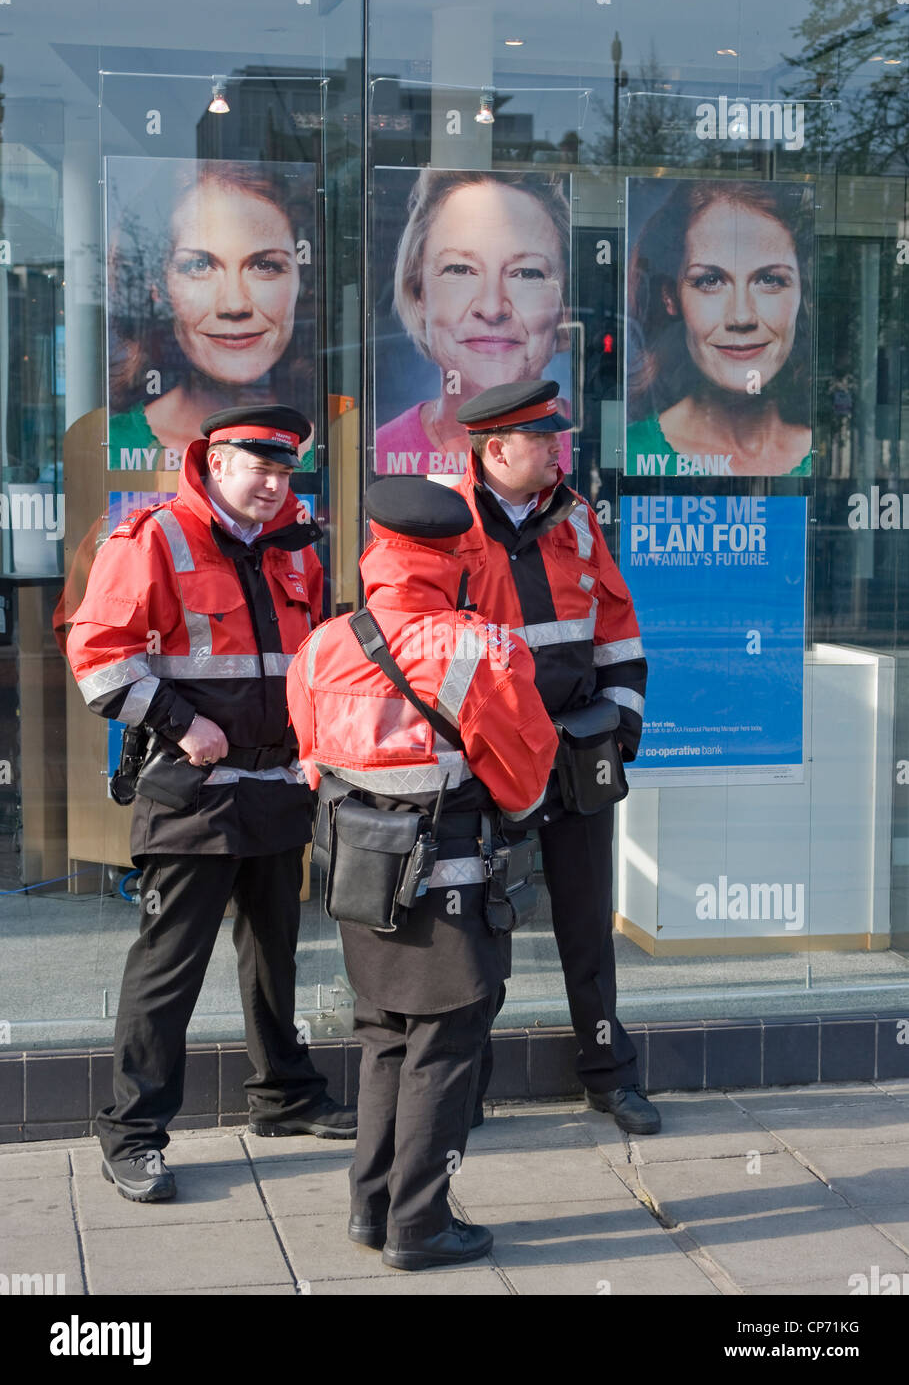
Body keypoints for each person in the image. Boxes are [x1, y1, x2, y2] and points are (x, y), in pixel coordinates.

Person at [66, 404, 355, 1202]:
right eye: (256, 467)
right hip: (189, 791)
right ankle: (131, 1132)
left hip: (275, 788)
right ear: (214, 463)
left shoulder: (297, 549)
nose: (272, 483)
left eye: (284, 470)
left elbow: (308, 663)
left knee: (275, 955)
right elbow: (97, 658)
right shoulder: (154, 537)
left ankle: (285, 1097)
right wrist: (179, 720)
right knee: (168, 971)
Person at [287, 476, 558, 1270]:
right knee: (446, 1044)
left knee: (383, 1040)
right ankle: (420, 1226)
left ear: (377, 547)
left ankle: (371, 1211)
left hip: (361, 878)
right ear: (456, 554)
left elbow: (311, 758)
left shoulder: (325, 643)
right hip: (451, 884)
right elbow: (526, 769)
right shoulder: (480, 646)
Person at [454, 379, 659, 1136]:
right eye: (543, 441)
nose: (557, 452)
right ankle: (463, 1088)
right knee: (479, 933)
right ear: (495, 449)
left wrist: (620, 730)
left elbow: (618, 632)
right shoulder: (442, 525)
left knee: (585, 926)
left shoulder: (576, 519)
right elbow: (416, 654)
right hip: (487, 764)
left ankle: (607, 1075)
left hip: (575, 753)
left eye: (557, 439)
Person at [108, 161, 314, 471]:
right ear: (158, 284)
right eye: (199, 266)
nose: (234, 304)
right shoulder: (114, 445)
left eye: (265, 265)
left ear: (302, 281)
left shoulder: (338, 447)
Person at [375, 170, 572, 477]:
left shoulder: (591, 447)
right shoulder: (382, 449)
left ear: (564, 307)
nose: (492, 308)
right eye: (460, 269)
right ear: (418, 294)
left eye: (527, 273)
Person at [626, 179, 814, 477]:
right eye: (710, 280)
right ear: (670, 297)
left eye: (770, 280)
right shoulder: (633, 452)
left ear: (803, 292)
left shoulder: (826, 455)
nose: (741, 317)